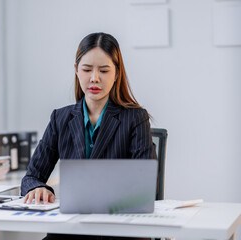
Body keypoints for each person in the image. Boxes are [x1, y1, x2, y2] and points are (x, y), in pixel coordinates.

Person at [21, 32, 156, 240]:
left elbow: (144, 186)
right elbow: (31, 177)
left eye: (104, 70)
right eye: (86, 69)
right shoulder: (60, 118)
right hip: (71, 231)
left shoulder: (136, 118)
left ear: (117, 73)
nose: (94, 78)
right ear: (76, 70)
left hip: (120, 232)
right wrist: (38, 188)